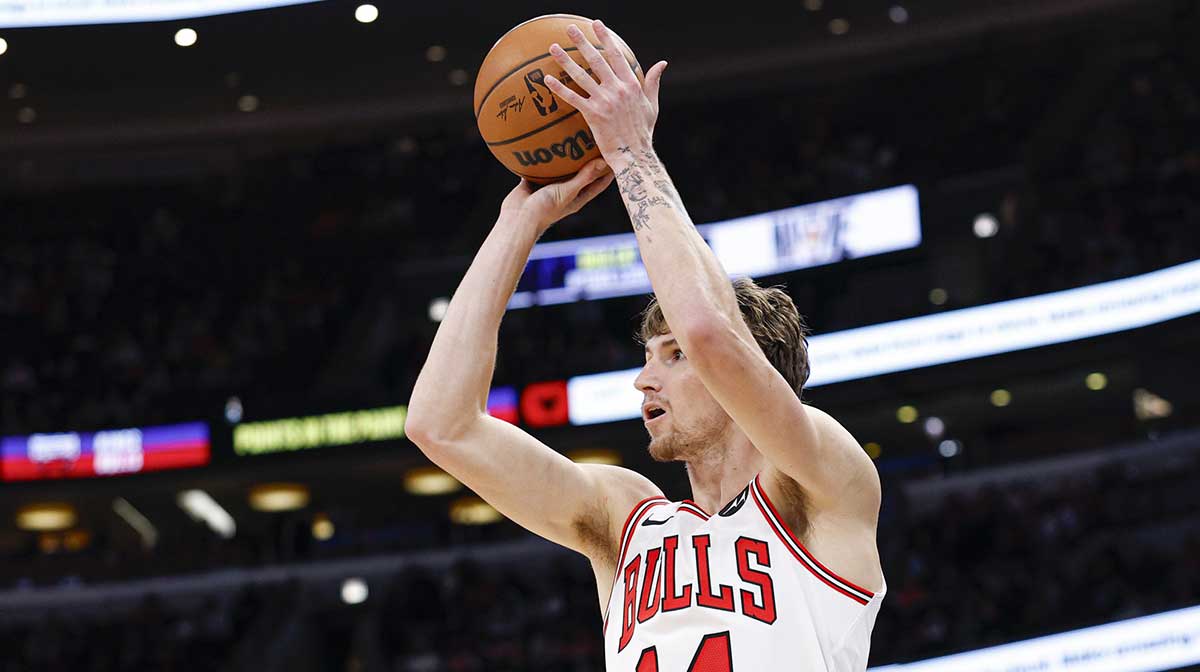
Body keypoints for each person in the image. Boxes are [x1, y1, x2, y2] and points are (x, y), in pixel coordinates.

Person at [406, 18, 885, 671]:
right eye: (646, 356)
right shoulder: (625, 519)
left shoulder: (820, 480)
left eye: (672, 357)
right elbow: (441, 425)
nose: (643, 381)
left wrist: (633, 152)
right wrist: (518, 224)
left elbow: (712, 333)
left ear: (758, 369)